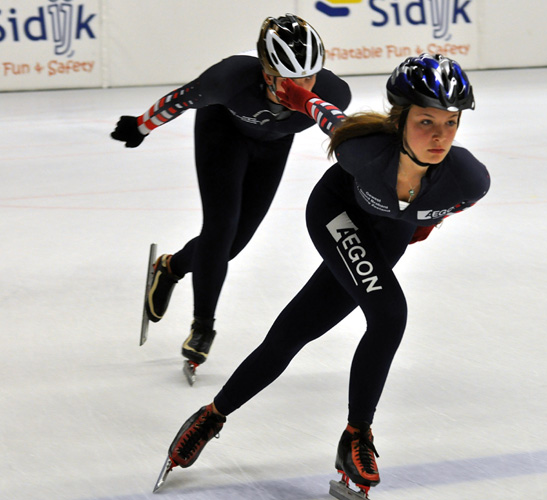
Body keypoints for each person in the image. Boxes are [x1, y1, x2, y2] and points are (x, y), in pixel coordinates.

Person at [158, 54, 490, 496]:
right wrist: (297, 93)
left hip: (387, 234)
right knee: (390, 315)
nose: (439, 136)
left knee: (294, 333)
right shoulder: (365, 149)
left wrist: (423, 223)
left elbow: (444, 209)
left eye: (451, 123)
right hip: (336, 213)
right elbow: (325, 114)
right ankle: (357, 438)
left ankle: (211, 415)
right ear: (399, 119)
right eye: (426, 121)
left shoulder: (470, 180)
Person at [110, 14, 351, 371]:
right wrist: (141, 126)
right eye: (289, 80)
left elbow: (346, 132)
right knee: (220, 228)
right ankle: (202, 326)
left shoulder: (333, 94)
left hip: (272, 145)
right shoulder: (229, 79)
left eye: (309, 77)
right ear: (266, 72)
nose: (301, 88)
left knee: (234, 245)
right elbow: (180, 99)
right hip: (222, 133)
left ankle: (171, 268)